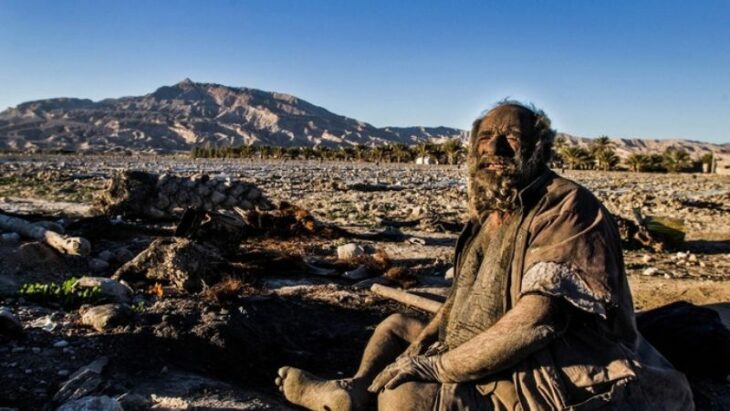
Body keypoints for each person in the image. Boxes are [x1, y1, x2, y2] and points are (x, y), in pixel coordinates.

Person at [275, 102, 694, 410]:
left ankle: (376, 396)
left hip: (549, 357)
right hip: (474, 342)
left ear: (537, 149)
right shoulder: (489, 213)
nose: (495, 147)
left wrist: (436, 368)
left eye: (511, 138)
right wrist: (422, 343)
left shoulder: (566, 205)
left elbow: (538, 321)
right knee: (397, 325)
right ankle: (355, 388)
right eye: (484, 138)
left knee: (405, 396)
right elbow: (459, 297)